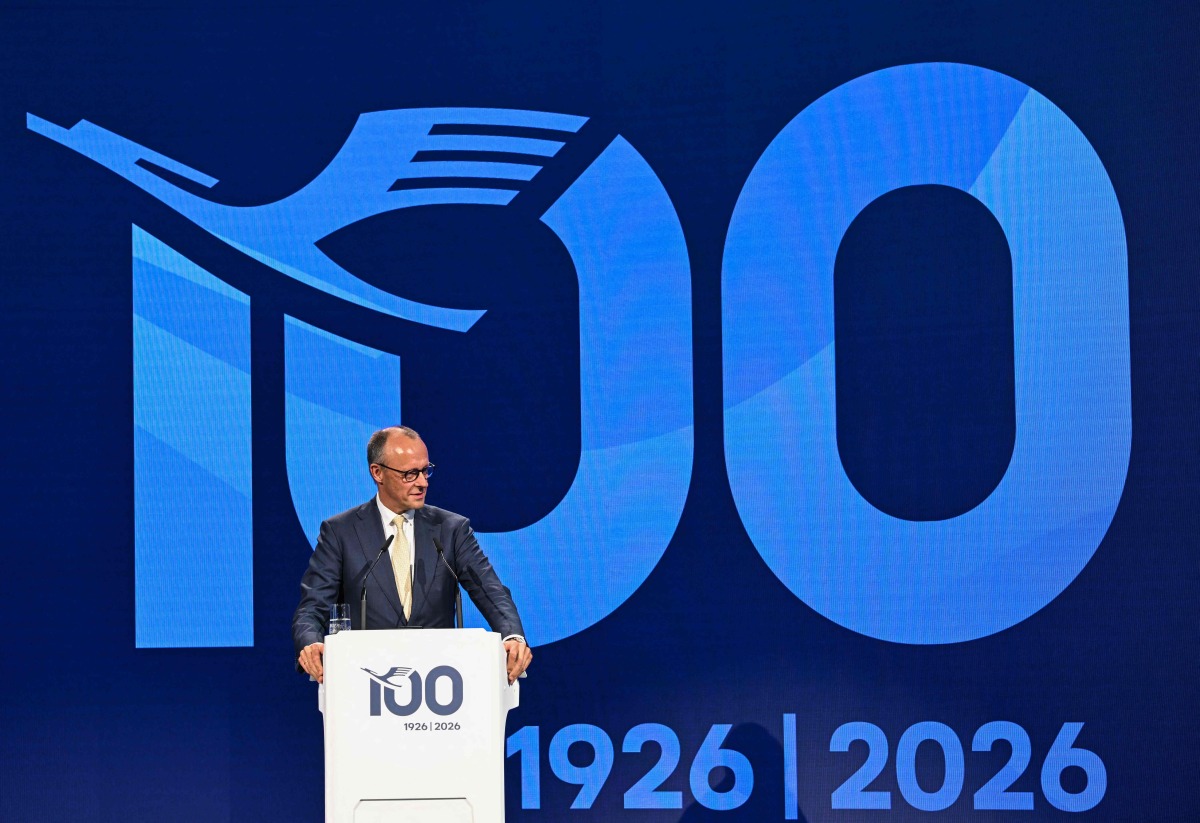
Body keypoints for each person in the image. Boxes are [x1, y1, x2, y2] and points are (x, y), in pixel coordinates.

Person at [292, 426, 532, 684]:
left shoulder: (451, 529)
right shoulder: (341, 532)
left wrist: (512, 636)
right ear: (377, 473)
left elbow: (490, 590)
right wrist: (311, 643)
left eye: (425, 470)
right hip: (366, 684)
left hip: (439, 682)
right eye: (410, 474)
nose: (422, 482)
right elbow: (312, 607)